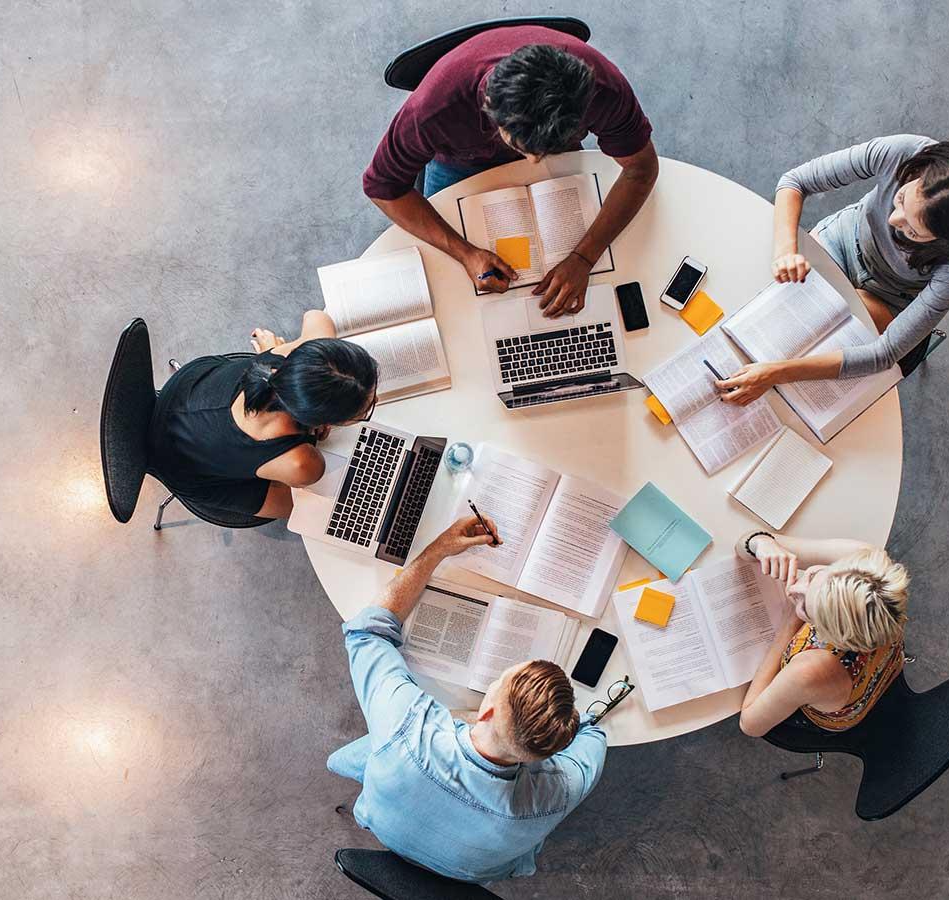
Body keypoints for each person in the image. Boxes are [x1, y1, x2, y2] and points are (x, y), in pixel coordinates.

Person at [328, 514, 607, 884]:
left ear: (486, 710)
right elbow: (594, 739)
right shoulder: (558, 793)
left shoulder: (407, 726)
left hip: (382, 823)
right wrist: (574, 722)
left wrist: (439, 548)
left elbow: (367, 633)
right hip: (472, 874)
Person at [362, 26, 658, 317]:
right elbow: (382, 188)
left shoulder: (604, 88)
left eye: (542, 152)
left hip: (546, 151)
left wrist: (584, 257)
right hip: (459, 161)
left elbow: (641, 169)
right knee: (451, 286)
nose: (533, 164)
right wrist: (465, 253)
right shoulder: (433, 111)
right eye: (523, 147)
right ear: (489, 106)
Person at [716, 135, 949, 405]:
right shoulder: (904, 151)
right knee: (757, 304)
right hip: (839, 243)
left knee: (806, 354)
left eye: (913, 231)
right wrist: (785, 250)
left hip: (890, 297)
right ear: (919, 170)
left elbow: (884, 353)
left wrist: (778, 373)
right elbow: (795, 181)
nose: (893, 220)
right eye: (901, 198)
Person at [147, 311, 377, 519]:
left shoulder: (285, 358)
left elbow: (317, 317)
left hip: (185, 392)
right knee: (312, 511)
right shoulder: (303, 463)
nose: (375, 401)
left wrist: (273, 352)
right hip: (182, 468)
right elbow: (305, 472)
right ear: (327, 421)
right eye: (366, 410)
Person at [736, 530, 910, 736]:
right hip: (886, 663)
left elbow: (750, 725)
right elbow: (745, 543)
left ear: (828, 635)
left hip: (834, 712)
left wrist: (789, 623)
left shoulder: (809, 670)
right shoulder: (863, 560)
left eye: (806, 609)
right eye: (813, 575)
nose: (793, 590)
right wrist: (762, 544)